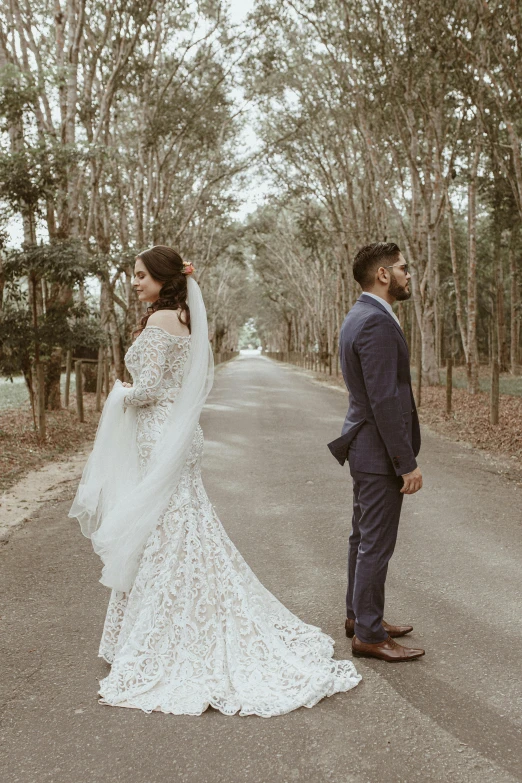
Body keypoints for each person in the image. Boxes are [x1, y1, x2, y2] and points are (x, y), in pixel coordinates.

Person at [70, 245, 361, 716]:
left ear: (165, 279)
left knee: (166, 530)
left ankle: (166, 637)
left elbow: (148, 391)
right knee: (179, 526)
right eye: (134, 275)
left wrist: (119, 395)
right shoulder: (181, 317)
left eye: (141, 275)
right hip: (176, 435)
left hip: (160, 434)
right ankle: (173, 625)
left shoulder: (162, 323)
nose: (134, 282)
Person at [328, 242, 425, 662]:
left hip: (364, 446)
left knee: (363, 538)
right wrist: (407, 464)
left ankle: (361, 616)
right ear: (383, 274)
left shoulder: (359, 315)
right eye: (403, 268)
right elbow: (385, 400)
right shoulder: (376, 323)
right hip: (378, 452)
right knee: (375, 543)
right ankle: (368, 634)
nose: (408, 275)